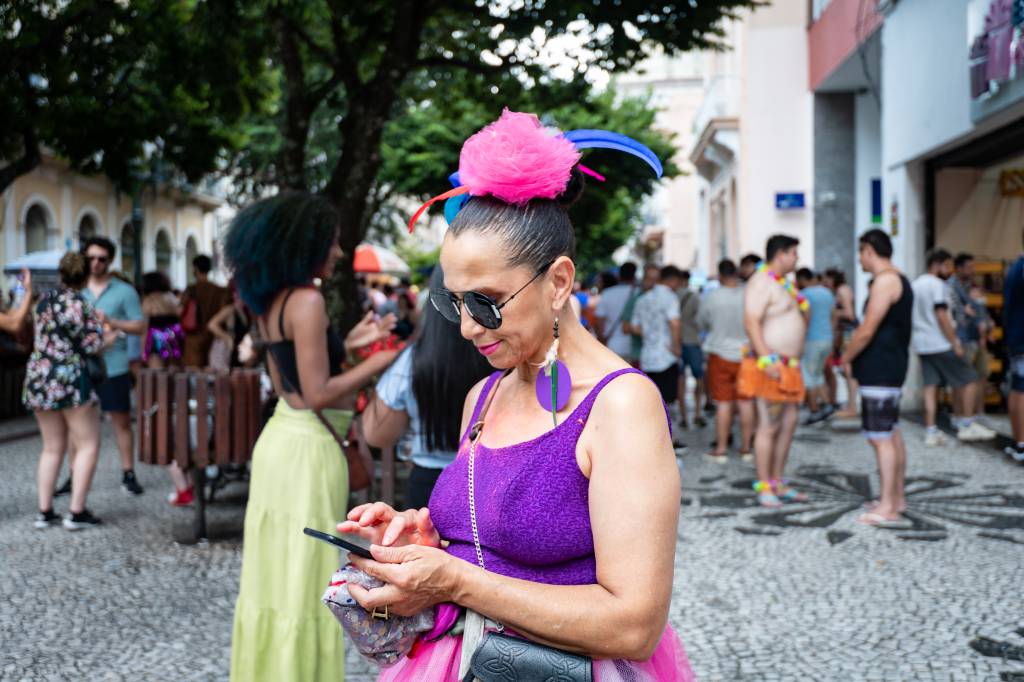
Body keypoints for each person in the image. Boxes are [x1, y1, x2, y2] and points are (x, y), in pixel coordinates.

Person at [340, 109, 692, 680]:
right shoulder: (482, 396)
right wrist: (425, 542)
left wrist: (454, 580)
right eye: (454, 303)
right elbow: (491, 541)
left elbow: (634, 625)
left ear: (558, 282)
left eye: (486, 302)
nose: (467, 328)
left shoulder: (621, 405)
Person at [226, 191, 400, 682]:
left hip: (282, 437)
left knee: (275, 577)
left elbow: (295, 379)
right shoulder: (307, 299)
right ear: (308, 243)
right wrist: (378, 361)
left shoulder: (273, 301)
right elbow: (319, 391)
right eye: (334, 241)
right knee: (305, 579)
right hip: (306, 450)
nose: (340, 251)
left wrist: (348, 344)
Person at [362, 267, 493, 509]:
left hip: (429, 486)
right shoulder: (504, 357)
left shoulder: (413, 360)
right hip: (493, 485)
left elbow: (376, 433)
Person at [24, 253, 113, 530]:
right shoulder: (80, 304)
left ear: (61, 273)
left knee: (51, 447)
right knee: (88, 444)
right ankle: (76, 512)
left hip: (39, 377)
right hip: (71, 380)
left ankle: (44, 511)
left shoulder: (43, 301)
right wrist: (108, 333)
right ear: (85, 276)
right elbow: (92, 346)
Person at [840, 230, 914, 526]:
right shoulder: (899, 278)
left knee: (880, 437)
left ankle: (887, 507)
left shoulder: (885, 281)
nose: (859, 260)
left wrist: (845, 357)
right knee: (891, 434)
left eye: (861, 253)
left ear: (869, 250)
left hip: (880, 369)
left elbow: (867, 328)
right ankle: (896, 498)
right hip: (890, 367)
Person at [741, 234, 808, 507]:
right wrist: (767, 359)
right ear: (781, 254)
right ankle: (764, 484)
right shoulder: (761, 282)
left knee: (788, 425)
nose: (797, 258)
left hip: (789, 366)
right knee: (768, 426)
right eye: (794, 253)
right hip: (771, 365)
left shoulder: (785, 284)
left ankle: (778, 481)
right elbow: (751, 321)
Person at [81, 236, 145, 495]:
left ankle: (128, 472)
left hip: (114, 366)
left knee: (120, 421)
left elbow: (140, 326)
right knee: (79, 425)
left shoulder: (124, 291)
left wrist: (113, 321)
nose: (96, 263)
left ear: (110, 261)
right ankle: (75, 476)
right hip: (82, 366)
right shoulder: (77, 290)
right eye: (91, 258)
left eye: (102, 259)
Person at [911, 249, 996, 445]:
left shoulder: (915, 285)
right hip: (940, 342)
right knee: (970, 378)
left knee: (930, 386)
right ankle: (966, 424)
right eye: (947, 265)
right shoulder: (939, 285)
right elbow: (942, 315)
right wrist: (954, 342)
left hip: (922, 344)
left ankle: (931, 430)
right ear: (938, 264)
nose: (950, 270)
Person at [699, 259, 754, 463]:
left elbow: (702, 321)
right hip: (746, 354)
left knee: (723, 403)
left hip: (719, 354)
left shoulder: (712, 297)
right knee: (746, 402)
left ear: (720, 275)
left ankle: (721, 449)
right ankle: (746, 449)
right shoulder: (748, 294)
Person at [628, 264, 684, 446]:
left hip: (648, 355)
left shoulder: (642, 300)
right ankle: (669, 440)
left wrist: (650, 332)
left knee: (652, 401)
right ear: (672, 280)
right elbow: (674, 323)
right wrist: (676, 346)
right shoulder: (670, 297)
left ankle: (652, 439)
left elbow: (634, 327)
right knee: (669, 401)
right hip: (666, 355)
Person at [948, 253, 990, 420]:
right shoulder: (951, 287)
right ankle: (959, 414)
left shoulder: (970, 285)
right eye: (969, 267)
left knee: (980, 375)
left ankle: (978, 412)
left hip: (976, 337)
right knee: (961, 378)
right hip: (962, 337)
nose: (973, 270)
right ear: (959, 268)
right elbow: (954, 312)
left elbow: (979, 310)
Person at [796, 268, 836, 424]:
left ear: (802, 279)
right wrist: (830, 333)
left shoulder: (803, 295)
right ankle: (827, 405)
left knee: (808, 376)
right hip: (827, 339)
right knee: (818, 375)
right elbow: (833, 316)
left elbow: (803, 317)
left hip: (811, 339)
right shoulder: (827, 293)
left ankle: (814, 411)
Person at [180, 254, 230, 368]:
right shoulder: (220, 291)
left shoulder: (191, 290)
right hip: (213, 337)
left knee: (194, 375)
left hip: (193, 339)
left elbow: (181, 310)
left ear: (195, 269)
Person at [825, 268, 859, 418]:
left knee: (848, 369)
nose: (826, 282)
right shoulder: (841, 290)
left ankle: (852, 407)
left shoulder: (842, 290)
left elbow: (850, 314)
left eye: (827, 279)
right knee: (846, 370)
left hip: (848, 333)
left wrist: (834, 313)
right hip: (844, 333)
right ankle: (851, 405)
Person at [676, 269, 706, 429]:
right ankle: (697, 413)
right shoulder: (694, 296)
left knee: (680, 380)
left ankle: (683, 416)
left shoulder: (672, 295)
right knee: (698, 377)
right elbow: (700, 321)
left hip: (676, 342)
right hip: (692, 341)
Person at [593, 261, 640, 365]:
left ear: (619, 276)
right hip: (635, 348)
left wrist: (602, 341)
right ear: (634, 276)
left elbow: (599, 321)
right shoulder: (639, 293)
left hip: (613, 347)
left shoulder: (607, 293)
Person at [1004, 231, 1024, 461]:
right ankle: (1020, 443)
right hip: (1021, 337)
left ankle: (1019, 442)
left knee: (1019, 387)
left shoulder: (1016, 266)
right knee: (1021, 388)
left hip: (1017, 337)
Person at [140, 272, 184, 368]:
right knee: (174, 375)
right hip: (174, 337)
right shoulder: (172, 298)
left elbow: (144, 328)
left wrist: (143, 351)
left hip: (157, 339)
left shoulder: (149, 300)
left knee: (156, 376)